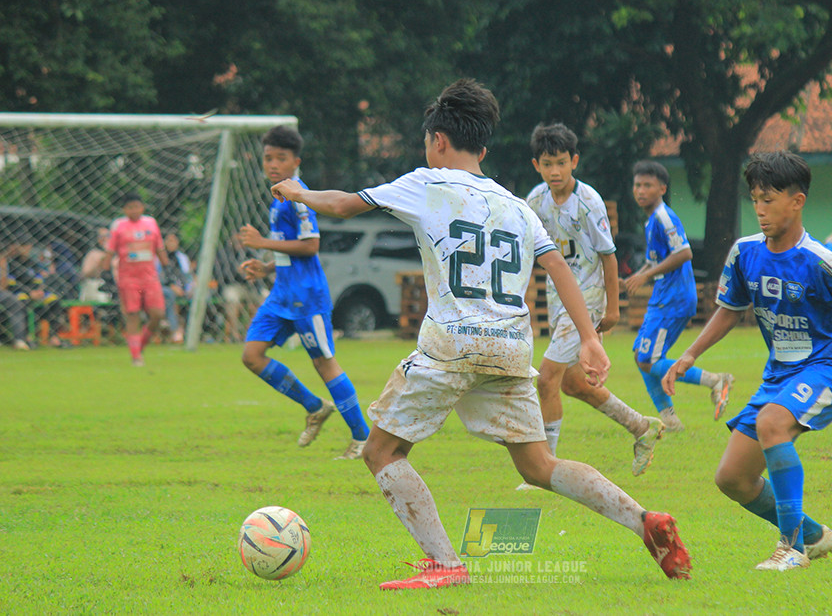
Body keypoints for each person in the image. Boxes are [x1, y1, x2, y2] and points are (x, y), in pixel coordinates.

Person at [270, 79, 692, 590]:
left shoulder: (427, 181)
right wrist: (590, 336)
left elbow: (339, 205)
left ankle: (447, 564)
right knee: (539, 465)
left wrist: (298, 191)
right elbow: (557, 266)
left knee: (380, 451)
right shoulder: (516, 203)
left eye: (428, 142)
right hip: (512, 347)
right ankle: (645, 520)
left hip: (451, 343)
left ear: (438, 141)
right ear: (484, 149)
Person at [664, 151, 832, 571]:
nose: (760, 210)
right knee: (732, 478)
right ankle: (812, 534)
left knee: (772, 423)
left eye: (768, 200)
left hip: (828, 370)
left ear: (797, 201)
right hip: (778, 376)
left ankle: (792, 549)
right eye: (754, 200)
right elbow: (731, 309)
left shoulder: (821, 261)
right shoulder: (745, 252)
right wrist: (690, 354)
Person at [524, 123, 664, 482]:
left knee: (547, 379)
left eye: (560, 162)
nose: (554, 171)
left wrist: (613, 308)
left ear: (574, 161)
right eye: (546, 163)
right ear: (536, 164)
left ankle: (544, 466)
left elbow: (609, 256)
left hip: (587, 302)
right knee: (573, 384)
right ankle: (640, 426)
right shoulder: (535, 201)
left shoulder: (588, 202)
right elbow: (528, 253)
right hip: (559, 302)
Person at [237, 125, 369, 460]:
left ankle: (363, 439)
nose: (273, 165)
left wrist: (261, 242)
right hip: (282, 293)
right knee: (252, 356)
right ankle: (315, 407)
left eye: (281, 158)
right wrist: (266, 266)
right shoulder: (278, 197)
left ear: (296, 161)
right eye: (268, 158)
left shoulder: (298, 198)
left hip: (307, 297)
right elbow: (289, 248)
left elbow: (311, 246)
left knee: (325, 365)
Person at [623, 161, 733, 431]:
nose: (641, 190)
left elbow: (684, 253)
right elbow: (654, 261)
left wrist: (645, 276)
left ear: (662, 188)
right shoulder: (651, 220)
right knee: (641, 355)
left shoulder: (664, 217)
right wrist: (634, 277)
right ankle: (669, 419)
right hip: (664, 296)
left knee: (647, 359)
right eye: (637, 185)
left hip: (674, 297)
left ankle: (715, 380)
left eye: (648, 185)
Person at [104, 193, 169, 366]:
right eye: (130, 207)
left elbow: (160, 247)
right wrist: (104, 271)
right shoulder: (119, 226)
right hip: (129, 278)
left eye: (137, 206)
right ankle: (136, 356)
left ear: (142, 207)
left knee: (157, 314)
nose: (134, 210)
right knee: (133, 315)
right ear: (124, 210)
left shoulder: (151, 223)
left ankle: (139, 345)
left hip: (150, 278)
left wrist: (167, 265)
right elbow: (110, 251)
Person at [3, 232, 66, 347]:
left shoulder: (33, 263)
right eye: (22, 245)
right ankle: (26, 336)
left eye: (27, 245)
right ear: (17, 246)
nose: (25, 248)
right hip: (20, 292)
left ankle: (54, 337)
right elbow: (12, 284)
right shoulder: (12, 263)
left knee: (54, 300)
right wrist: (29, 292)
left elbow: (39, 279)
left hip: (36, 293)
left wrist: (39, 291)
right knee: (22, 300)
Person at [160, 232, 194, 343]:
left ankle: (192, 330)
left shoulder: (182, 257)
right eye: (169, 240)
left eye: (174, 240)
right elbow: (158, 277)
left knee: (198, 294)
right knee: (170, 294)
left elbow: (188, 275)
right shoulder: (160, 257)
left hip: (183, 287)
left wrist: (191, 286)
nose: (172, 243)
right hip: (164, 287)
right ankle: (175, 330)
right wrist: (172, 285)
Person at [80, 227, 115, 303]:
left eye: (108, 236)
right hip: (96, 285)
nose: (106, 239)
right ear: (98, 240)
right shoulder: (93, 254)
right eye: (102, 236)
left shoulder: (118, 253)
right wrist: (100, 262)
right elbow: (86, 274)